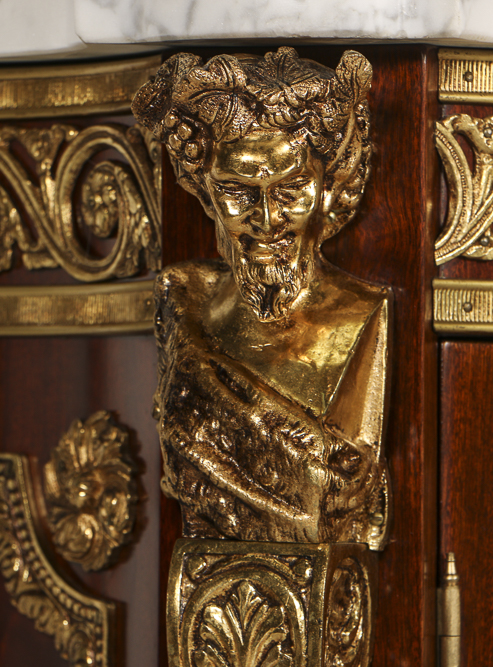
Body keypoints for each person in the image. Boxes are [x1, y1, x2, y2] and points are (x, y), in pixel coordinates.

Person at [133, 47, 390, 550]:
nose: (268, 219)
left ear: (330, 189)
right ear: (203, 192)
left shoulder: (364, 316)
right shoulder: (184, 303)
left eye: (291, 190)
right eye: (238, 192)